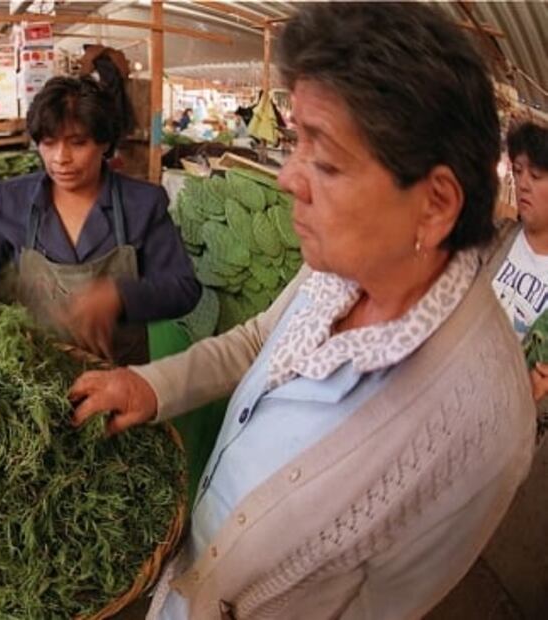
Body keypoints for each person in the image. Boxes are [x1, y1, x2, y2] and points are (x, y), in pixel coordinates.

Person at [70, 4, 534, 618]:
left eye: (326, 161)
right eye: (297, 143)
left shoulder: (483, 430)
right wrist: (153, 387)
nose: (288, 177)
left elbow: (383, 607)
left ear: (435, 203)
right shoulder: (339, 268)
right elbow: (258, 340)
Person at [0, 76, 200, 364]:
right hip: (36, 371)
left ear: (104, 143)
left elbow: (183, 288)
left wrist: (120, 295)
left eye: (77, 143)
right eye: (48, 143)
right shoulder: (14, 200)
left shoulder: (141, 204)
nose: (60, 158)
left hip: (118, 373)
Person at [488, 120, 548, 434]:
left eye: (536, 175)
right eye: (519, 171)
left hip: (504, 424)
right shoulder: (495, 238)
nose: (523, 183)